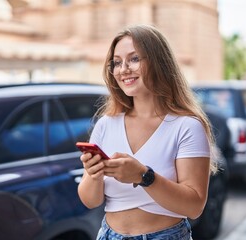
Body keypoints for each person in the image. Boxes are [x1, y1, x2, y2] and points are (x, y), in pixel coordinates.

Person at [78, 24, 217, 240]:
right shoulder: (106, 124)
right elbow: (90, 201)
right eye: (116, 62)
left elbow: (194, 206)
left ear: (158, 62)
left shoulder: (187, 126)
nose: (123, 69)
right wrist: (94, 174)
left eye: (134, 59)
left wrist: (143, 176)